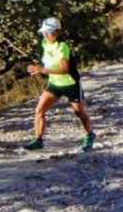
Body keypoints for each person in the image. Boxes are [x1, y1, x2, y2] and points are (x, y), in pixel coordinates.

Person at [23, 17, 96, 151]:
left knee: (79, 112)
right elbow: (47, 60)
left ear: (57, 32)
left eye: (49, 32)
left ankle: (89, 135)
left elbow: (64, 69)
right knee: (39, 110)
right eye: (44, 32)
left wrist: (43, 70)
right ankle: (38, 140)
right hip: (55, 84)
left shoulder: (62, 47)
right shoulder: (44, 43)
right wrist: (38, 67)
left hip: (71, 84)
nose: (45, 35)